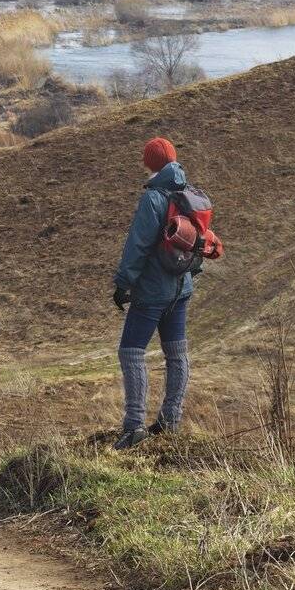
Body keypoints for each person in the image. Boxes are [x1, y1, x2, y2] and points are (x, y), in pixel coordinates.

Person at [111, 137, 192, 450]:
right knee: (176, 353)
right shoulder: (189, 193)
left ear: (151, 164)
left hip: (152, 292)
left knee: (131, 352)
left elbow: (139, 245)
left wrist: (123, 283)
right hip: (180, 289)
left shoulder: (154, 199)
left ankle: (134, 427)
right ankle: (170, 420)